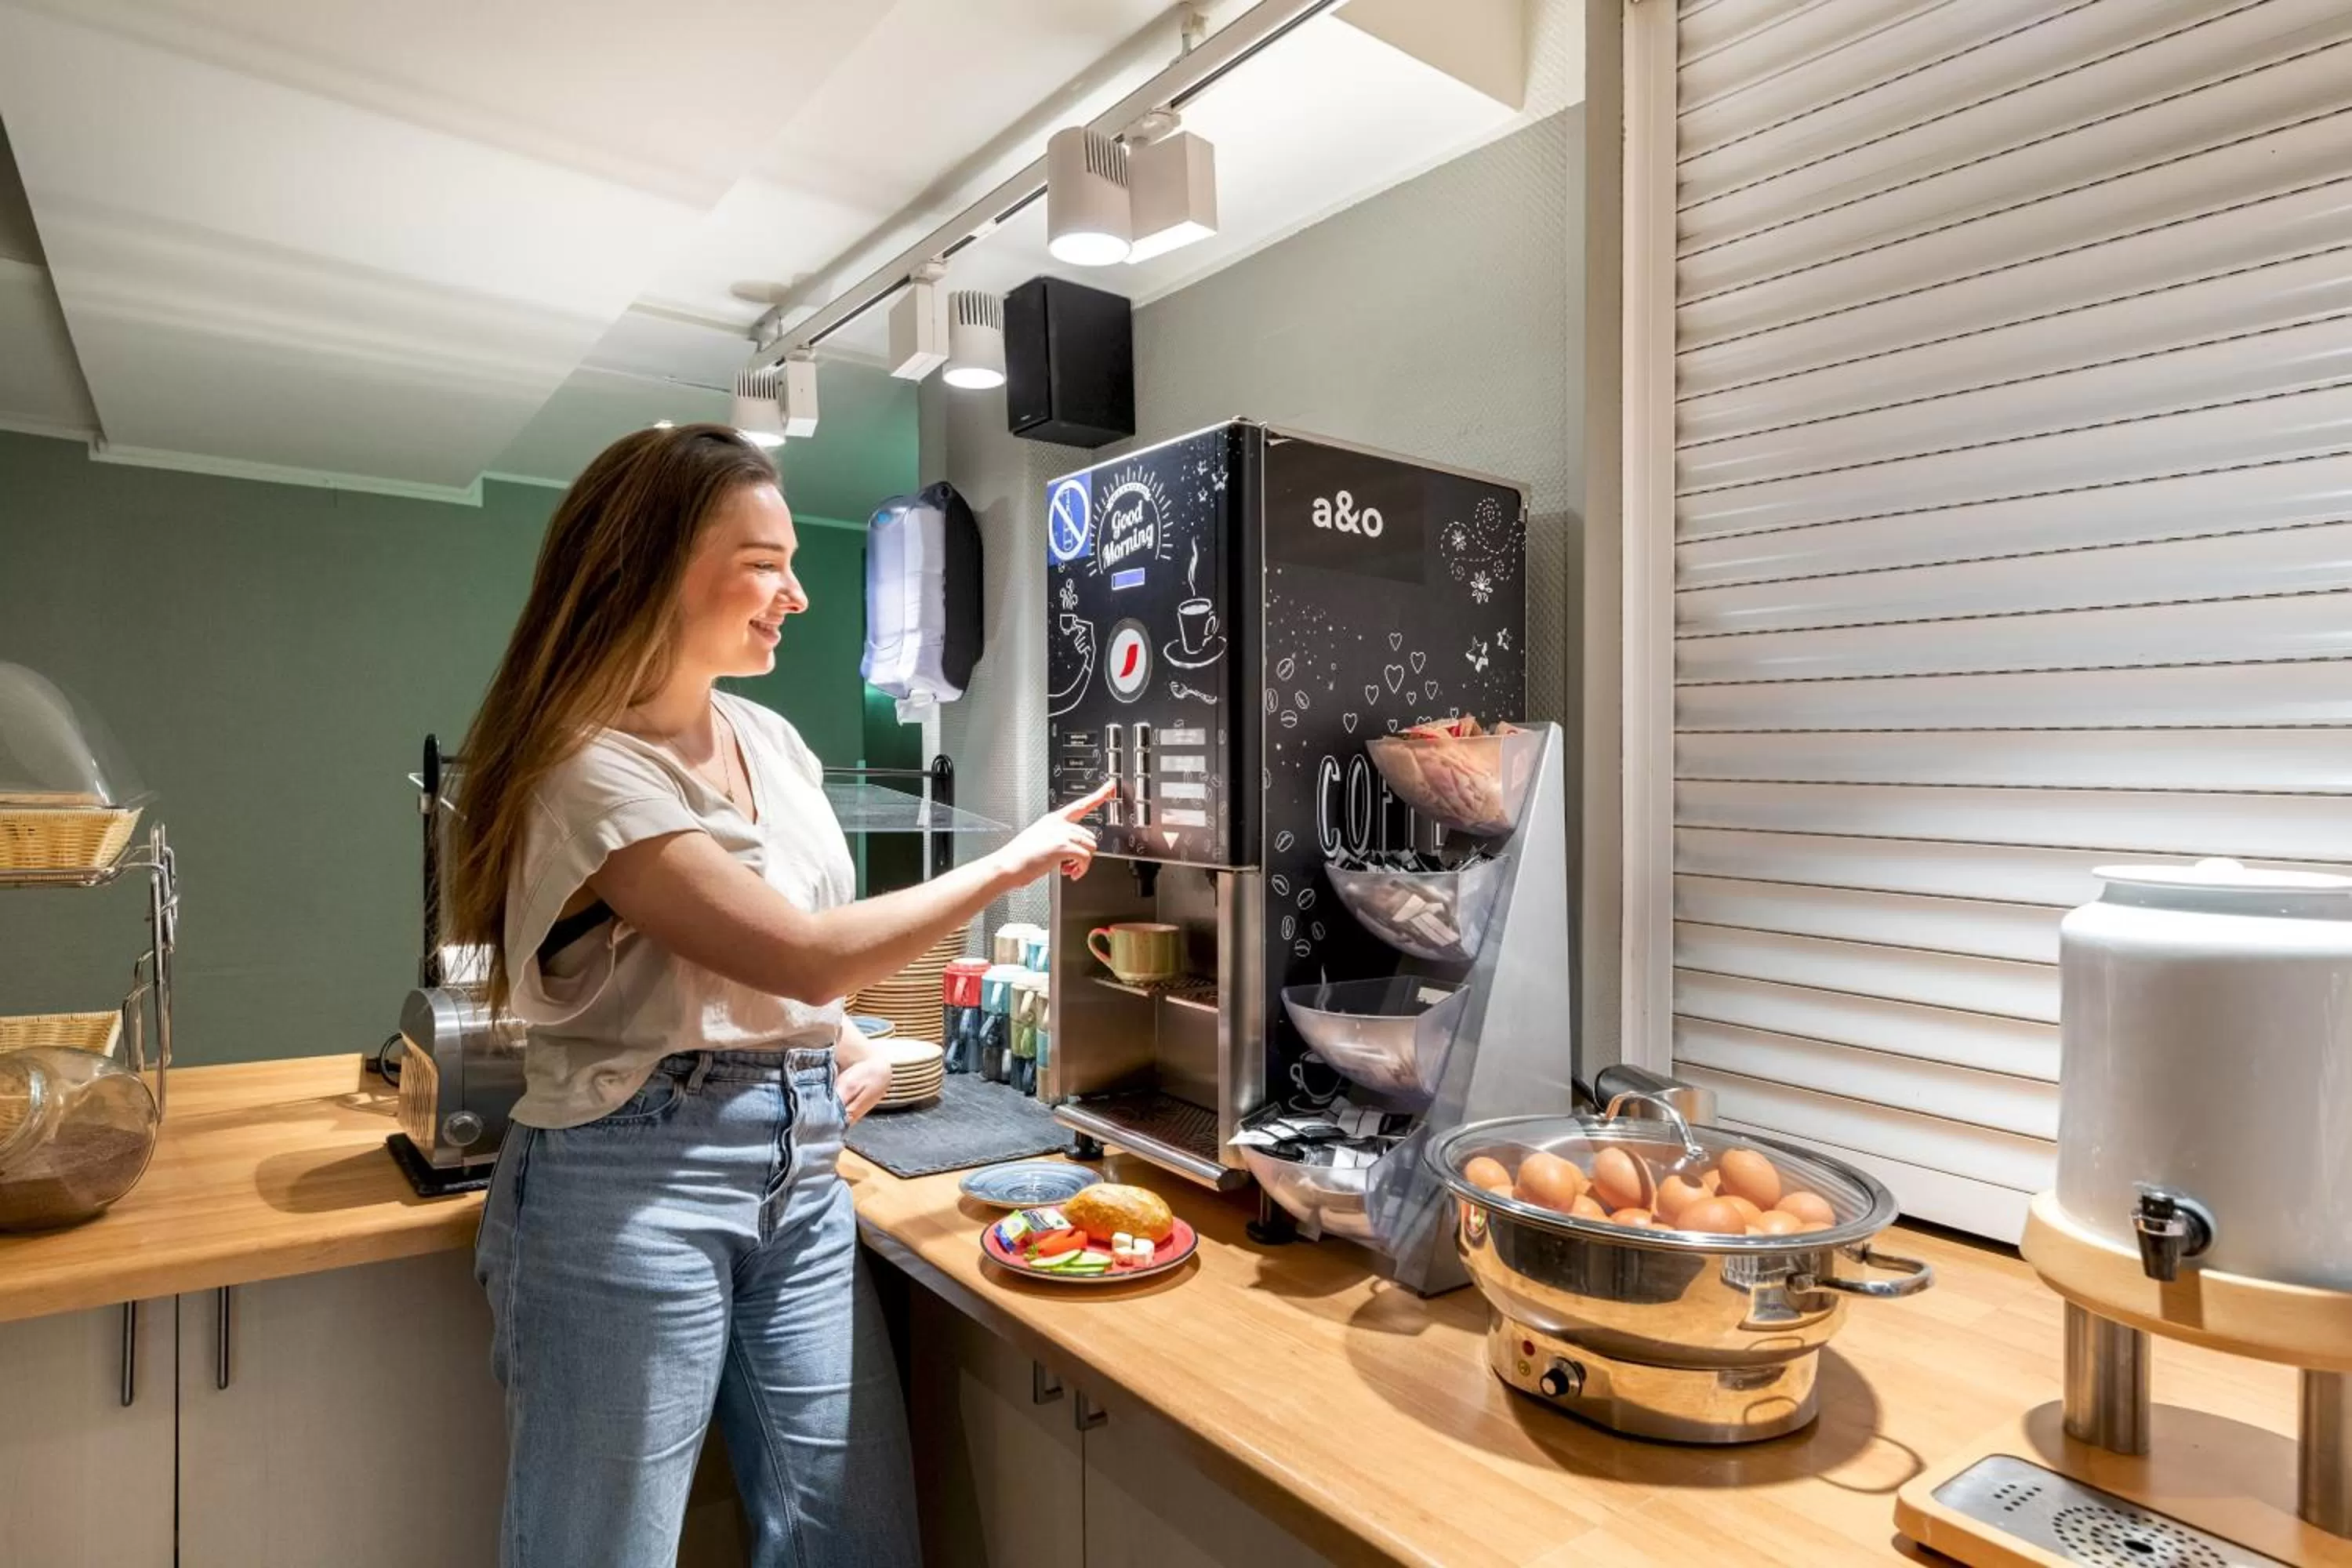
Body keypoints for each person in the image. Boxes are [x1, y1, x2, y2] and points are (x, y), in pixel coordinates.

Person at [445, 423, 1111, 1568]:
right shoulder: (583, 766)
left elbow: (761, 971)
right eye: (766, 562)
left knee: (852, 1542)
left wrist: (836, 1037)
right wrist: (1015, 860)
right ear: (647, 566)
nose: (798, 596)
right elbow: (803, 950)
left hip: (802, 1172)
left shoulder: (773, 740)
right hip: (631, 1179)